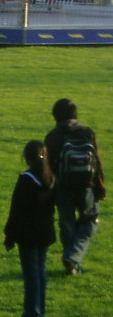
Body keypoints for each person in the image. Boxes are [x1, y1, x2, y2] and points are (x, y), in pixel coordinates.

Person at [44, 98, 105, 275]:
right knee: (90, 221)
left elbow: (47, 166)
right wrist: (100, 186)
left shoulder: (53, 136)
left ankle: (71, 259)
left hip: (63, 187)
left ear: (55, 116)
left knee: (67, 224)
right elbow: (97, 161)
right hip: (86, 186)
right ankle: (72, 259)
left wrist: (48, 190)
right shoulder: (87, 132)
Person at [4, 140, 56, 317]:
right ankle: (40, 310)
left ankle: (30, 314)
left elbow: (17, 210)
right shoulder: (50, 177)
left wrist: (10, 235)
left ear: (26, 156)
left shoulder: (27, 179)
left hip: (28, 233)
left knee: (31, 274)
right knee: (40, 272)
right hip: (45, 231)